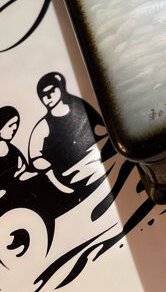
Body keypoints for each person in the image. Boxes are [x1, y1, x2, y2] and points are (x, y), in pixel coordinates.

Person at [28, 72, 112, 202]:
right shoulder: (43, 125)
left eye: (51, 91)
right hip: (67, 174)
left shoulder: (79, 105)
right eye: (44, 95)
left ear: (60, 88)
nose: (48, 97)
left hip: (96, 160)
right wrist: (45, 166)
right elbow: (34, 156)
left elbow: (101, 127)